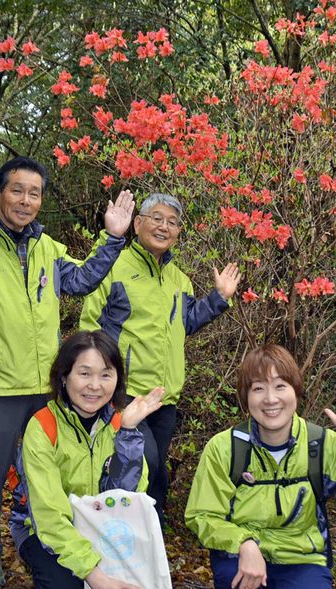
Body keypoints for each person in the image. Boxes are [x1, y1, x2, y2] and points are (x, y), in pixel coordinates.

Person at [0, 156, 135, 587]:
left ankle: (49, 540)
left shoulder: (47, 247)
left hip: (46, 385)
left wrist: (114, 238)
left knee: (48, 469)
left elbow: (82, 281)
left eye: (34, 193)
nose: (26, 201)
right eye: (17, 190)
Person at [184, 344, 336, 589]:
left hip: (302, 560)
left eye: (281, 386)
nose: (271, 399)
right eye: (258, 388)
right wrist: (244, 542)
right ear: (246, 397)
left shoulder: (321, 445)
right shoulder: (225, 448)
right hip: (239, 558)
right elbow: (202, 515)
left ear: (296, 390)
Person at [79, 192, 241, 523]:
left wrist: (219, 298)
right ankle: (130, 528)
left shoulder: (178, 279)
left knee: (153, 464)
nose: (164, 227)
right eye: (157, 218)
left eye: (172, 222)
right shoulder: (114, 267)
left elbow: (186, 323)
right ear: (137, 224)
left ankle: (150, 534)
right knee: (144, 463)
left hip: (164, 396)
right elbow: (89, 327)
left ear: (179, 232)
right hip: (124, 392)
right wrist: (97, 380)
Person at [9, 330, 165, 589]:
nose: (95, 385)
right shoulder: (43, 427)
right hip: (43, 530)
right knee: (64, 583)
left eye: (106, 374)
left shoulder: (119, 422)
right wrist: (94, 574)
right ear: (63, 376)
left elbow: (128, 499)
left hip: (105, 525)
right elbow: (49, 517)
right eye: (84, 373)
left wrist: (127, 434)